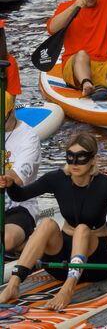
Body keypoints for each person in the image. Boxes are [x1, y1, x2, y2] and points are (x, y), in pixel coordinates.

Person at [0, 133, 107, 312]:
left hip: (94, 263)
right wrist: (10, 184)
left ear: (93, 159)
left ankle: (68, 288)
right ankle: (14, 284)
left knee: (82, 229)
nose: (75, 163)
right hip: (62, 262)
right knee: (47, 224)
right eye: (70, 157)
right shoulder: (57, 178)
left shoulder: (105, 184)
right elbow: (20, 195)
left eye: (81, 158)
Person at [2, 88, 41, 255]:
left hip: (19, 206)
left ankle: (32, 244)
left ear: (11, 112)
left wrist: (6, 179)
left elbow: (15, 178)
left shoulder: (28, 137)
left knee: (8, 240)